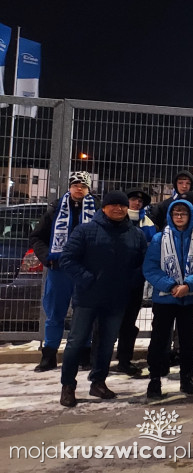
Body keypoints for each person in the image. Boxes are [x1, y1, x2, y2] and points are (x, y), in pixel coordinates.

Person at [58, 191, 147, 407]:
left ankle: (98, 381)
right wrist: (87, 278)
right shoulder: (86, 231)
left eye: (122, 205)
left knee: (107, 343)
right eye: (113, 205)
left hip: (116, 299)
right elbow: (67, 259)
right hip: (88, 297)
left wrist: (130, 281)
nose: (118, 209)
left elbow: (142, 264)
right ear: (104, 208)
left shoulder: (136, 235)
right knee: (76, 341)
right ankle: (68, 385)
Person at [30, 172, 97, 373]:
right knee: (55, 313)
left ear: (88, 189)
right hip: (59, 269)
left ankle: (84, 354)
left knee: (85, 312)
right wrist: (47, 257)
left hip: (85, 270)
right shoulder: (55, 209)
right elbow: (36, 237)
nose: (79, 188)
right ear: (69, 186)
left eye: (83, 185)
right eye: (75, 184)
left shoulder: (98, 209)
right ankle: (49, 356)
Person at [144, 198, 193, 399]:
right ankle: (155, 379)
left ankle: (186, 378)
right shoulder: (159, 239)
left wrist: (187, 285)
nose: (180, 217)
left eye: (184, 213)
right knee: (159, 340)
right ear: (170, 216)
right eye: (176, 214)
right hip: (165, 299)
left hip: (189, 299)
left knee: (188, 341)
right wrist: (171, 286)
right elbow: (150, 268)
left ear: (191, 216)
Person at [113, 187, 156, 376]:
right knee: (106, 323)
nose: (137, 203)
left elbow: (150, 252)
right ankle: (99, 361)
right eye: (133, 200)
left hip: (134, 281)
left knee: (129, 323)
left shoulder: (147, 224)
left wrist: (140, 274)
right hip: (112, 281)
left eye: (140, 201)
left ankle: (124, 361)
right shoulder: (113, 220)